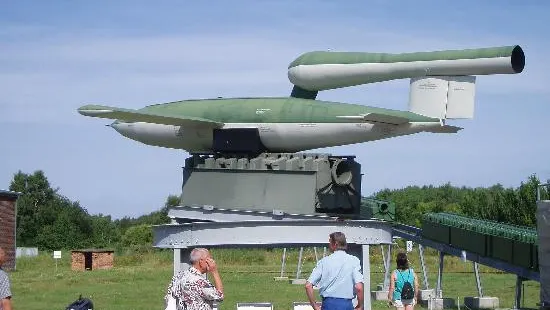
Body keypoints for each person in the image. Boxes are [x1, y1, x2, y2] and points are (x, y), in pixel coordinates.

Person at [305, 232, 364, 310]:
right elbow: (359, 287)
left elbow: (308, 286)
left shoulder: (323, 262)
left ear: (335, 244)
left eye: (330, 242)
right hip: (346, 305)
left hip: (328, 304)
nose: (329, 245)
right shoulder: (354, 261)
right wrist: (360, 305)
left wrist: (315, 306)